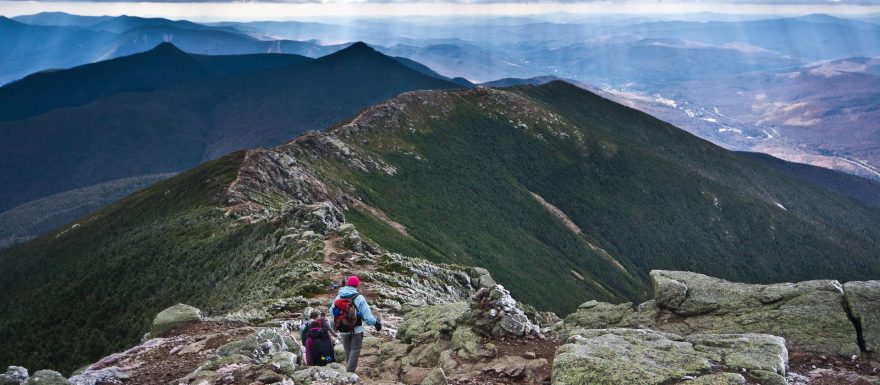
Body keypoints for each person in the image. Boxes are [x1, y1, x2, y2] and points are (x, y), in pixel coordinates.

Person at [329, 275, 382, 373]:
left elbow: (331, 312)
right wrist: (376, 324)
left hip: (343, 328)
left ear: (348, 284)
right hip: (357, 329)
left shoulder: (339, 296)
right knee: (355, 350)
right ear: (356, 285)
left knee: (348, 351)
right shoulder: (359, 297)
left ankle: (349, 371)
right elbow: (367, 316)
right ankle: (349, 373)